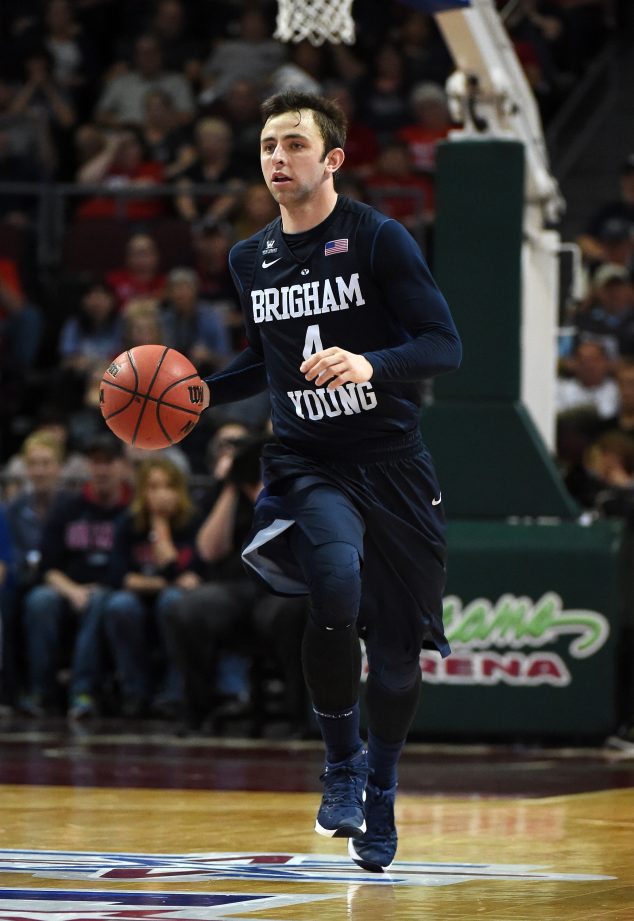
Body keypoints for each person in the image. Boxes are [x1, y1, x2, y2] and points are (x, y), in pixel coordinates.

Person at [198, 90, 462, 872]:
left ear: (333, 159)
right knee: (334, 580)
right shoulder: (250, 258)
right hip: (309, 463)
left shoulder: (379, 240)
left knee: (398, 651)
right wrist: (195, 394)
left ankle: (380, 786)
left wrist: (368, 362)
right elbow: (266, 361)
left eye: (293, 145)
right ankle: (341, 763)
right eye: (268, 147)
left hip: (394, 466)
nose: (277, 159)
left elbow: (443, 345)